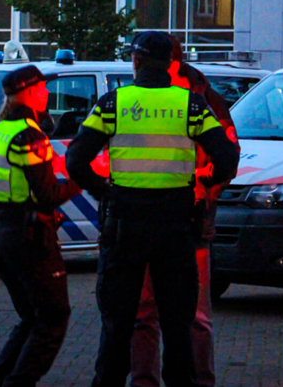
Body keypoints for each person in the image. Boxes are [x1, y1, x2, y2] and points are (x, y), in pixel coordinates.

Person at [65, 31, 240, 387]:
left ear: (136, 61)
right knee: (178, 327)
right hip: (175, 230)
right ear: (169, 64)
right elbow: (227, 158)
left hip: (125, 227)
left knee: (118, 326)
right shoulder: (191, 105)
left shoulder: (113, 103)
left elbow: (75, 159)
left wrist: (104, 190)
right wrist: (201, 184)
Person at [130, 38, 240, 387]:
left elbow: (228, 157)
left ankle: (197, 381)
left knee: (192, 315)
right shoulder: (156, 97)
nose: (136, 66)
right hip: (164, 220)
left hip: (186, 220)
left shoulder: (204, 100)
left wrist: (201, 186)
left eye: (140, 59)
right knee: (148, 313)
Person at [0, 65, 82, 387]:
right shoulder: (28, 136)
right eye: (43, 89)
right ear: (33, 93)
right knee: (52, 318)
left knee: (31, 318)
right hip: (31, 239)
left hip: (2, 236)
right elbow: (48, 195)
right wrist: (82, 178)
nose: (48, 94)